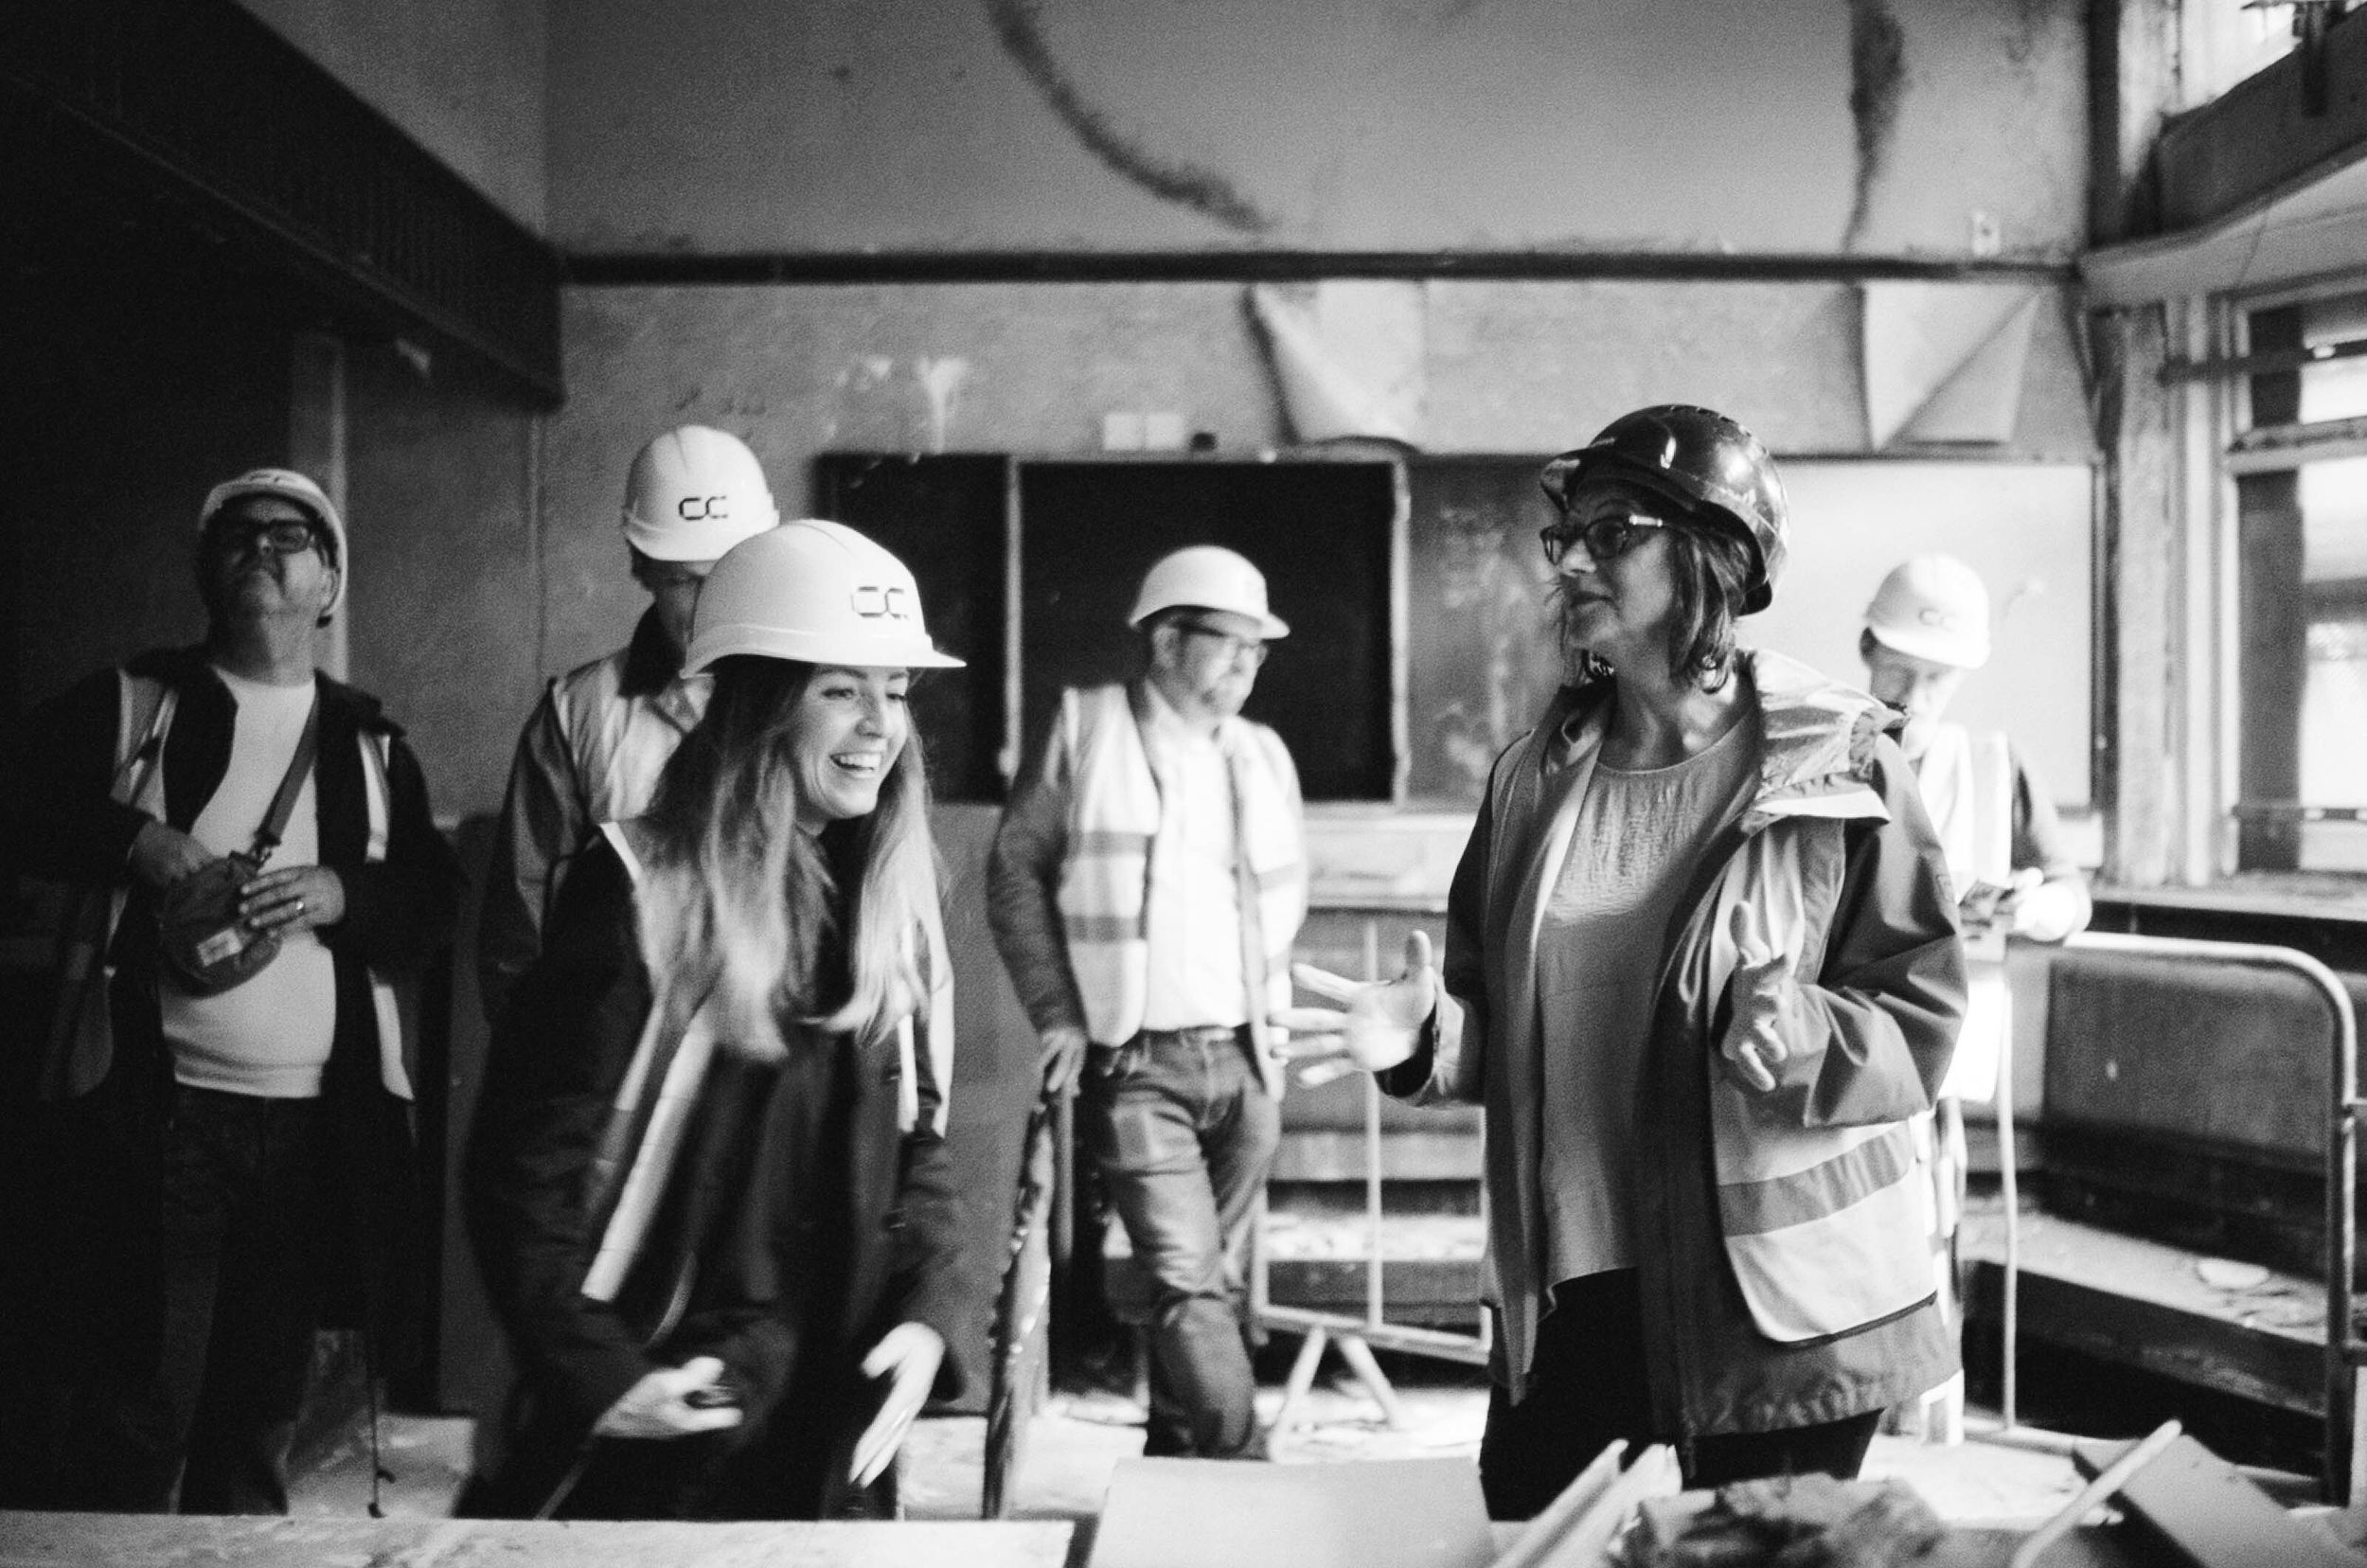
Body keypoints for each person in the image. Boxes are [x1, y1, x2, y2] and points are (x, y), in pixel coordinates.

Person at [1276, 406, 1967, 1519]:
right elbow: (1501, 1023)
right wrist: (1424, 1043)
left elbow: (1919, 1019)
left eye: (1614, 531)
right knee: (1531, 1527)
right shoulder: (1533, 778)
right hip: (1574, 1291)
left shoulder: (1838, 763)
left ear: (1715, 555)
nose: (1574, 563)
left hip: (1772, 1318)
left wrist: (1808, 1040)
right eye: (1569, 538)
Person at [465, 519, 970, 1520]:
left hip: (827, 1413)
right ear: (757, 704)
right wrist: (597, 1375)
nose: (879, 725)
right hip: (671, 1419)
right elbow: (523, 1167)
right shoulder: (637, 894)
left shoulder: (881, 909)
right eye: (841, 689)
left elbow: (919, 1148)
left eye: (896, 692)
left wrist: (930, 1315)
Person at [6, 467, 460, 1513]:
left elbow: (434, 904)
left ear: (331, 583)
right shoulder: (135, 705)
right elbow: (16, 791)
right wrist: (139, 841)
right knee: (136, 1407)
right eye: (239, 536)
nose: (263, 549)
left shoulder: (370, 743)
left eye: (292, 536)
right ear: (205, 575)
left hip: (314, 1129)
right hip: (156, 1119)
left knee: (260, 1418)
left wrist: (345, 890)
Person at [987, 544, 1306, 1462]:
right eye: (1229, 643)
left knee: (1211, 1281)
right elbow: (1014, 873)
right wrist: (1054, 1012)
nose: (1248, 663)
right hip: (1136, 1066)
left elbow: (1276, 902)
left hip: (1246, 1064)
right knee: (1183, 1276)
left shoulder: (1261, 754)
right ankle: (1245, 1471)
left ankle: (1176, 1464)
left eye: (1259, 648)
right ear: (1167, 639)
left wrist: (1264, 1049)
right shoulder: (1086, 728)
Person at [1859, 553, 2091, 1439]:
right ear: (1865, 647)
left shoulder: (1993, 766)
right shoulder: (1817, 751)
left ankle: (1922, 1429)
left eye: (1936, 679)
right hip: (1836, 1054)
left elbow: (2070, 889)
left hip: (1935, 1059)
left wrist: (2044, 906)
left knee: (1926, 1237)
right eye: (1899, 672)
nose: (1915, 696)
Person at [479, 425, 779, 1026]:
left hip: (773, 1064)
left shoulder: (816, 701)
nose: (711, 603)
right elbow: (521, 932)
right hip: (623, 1068)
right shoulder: (578, 713)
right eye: (685, 581)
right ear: (641, 567)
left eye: (729, 574)